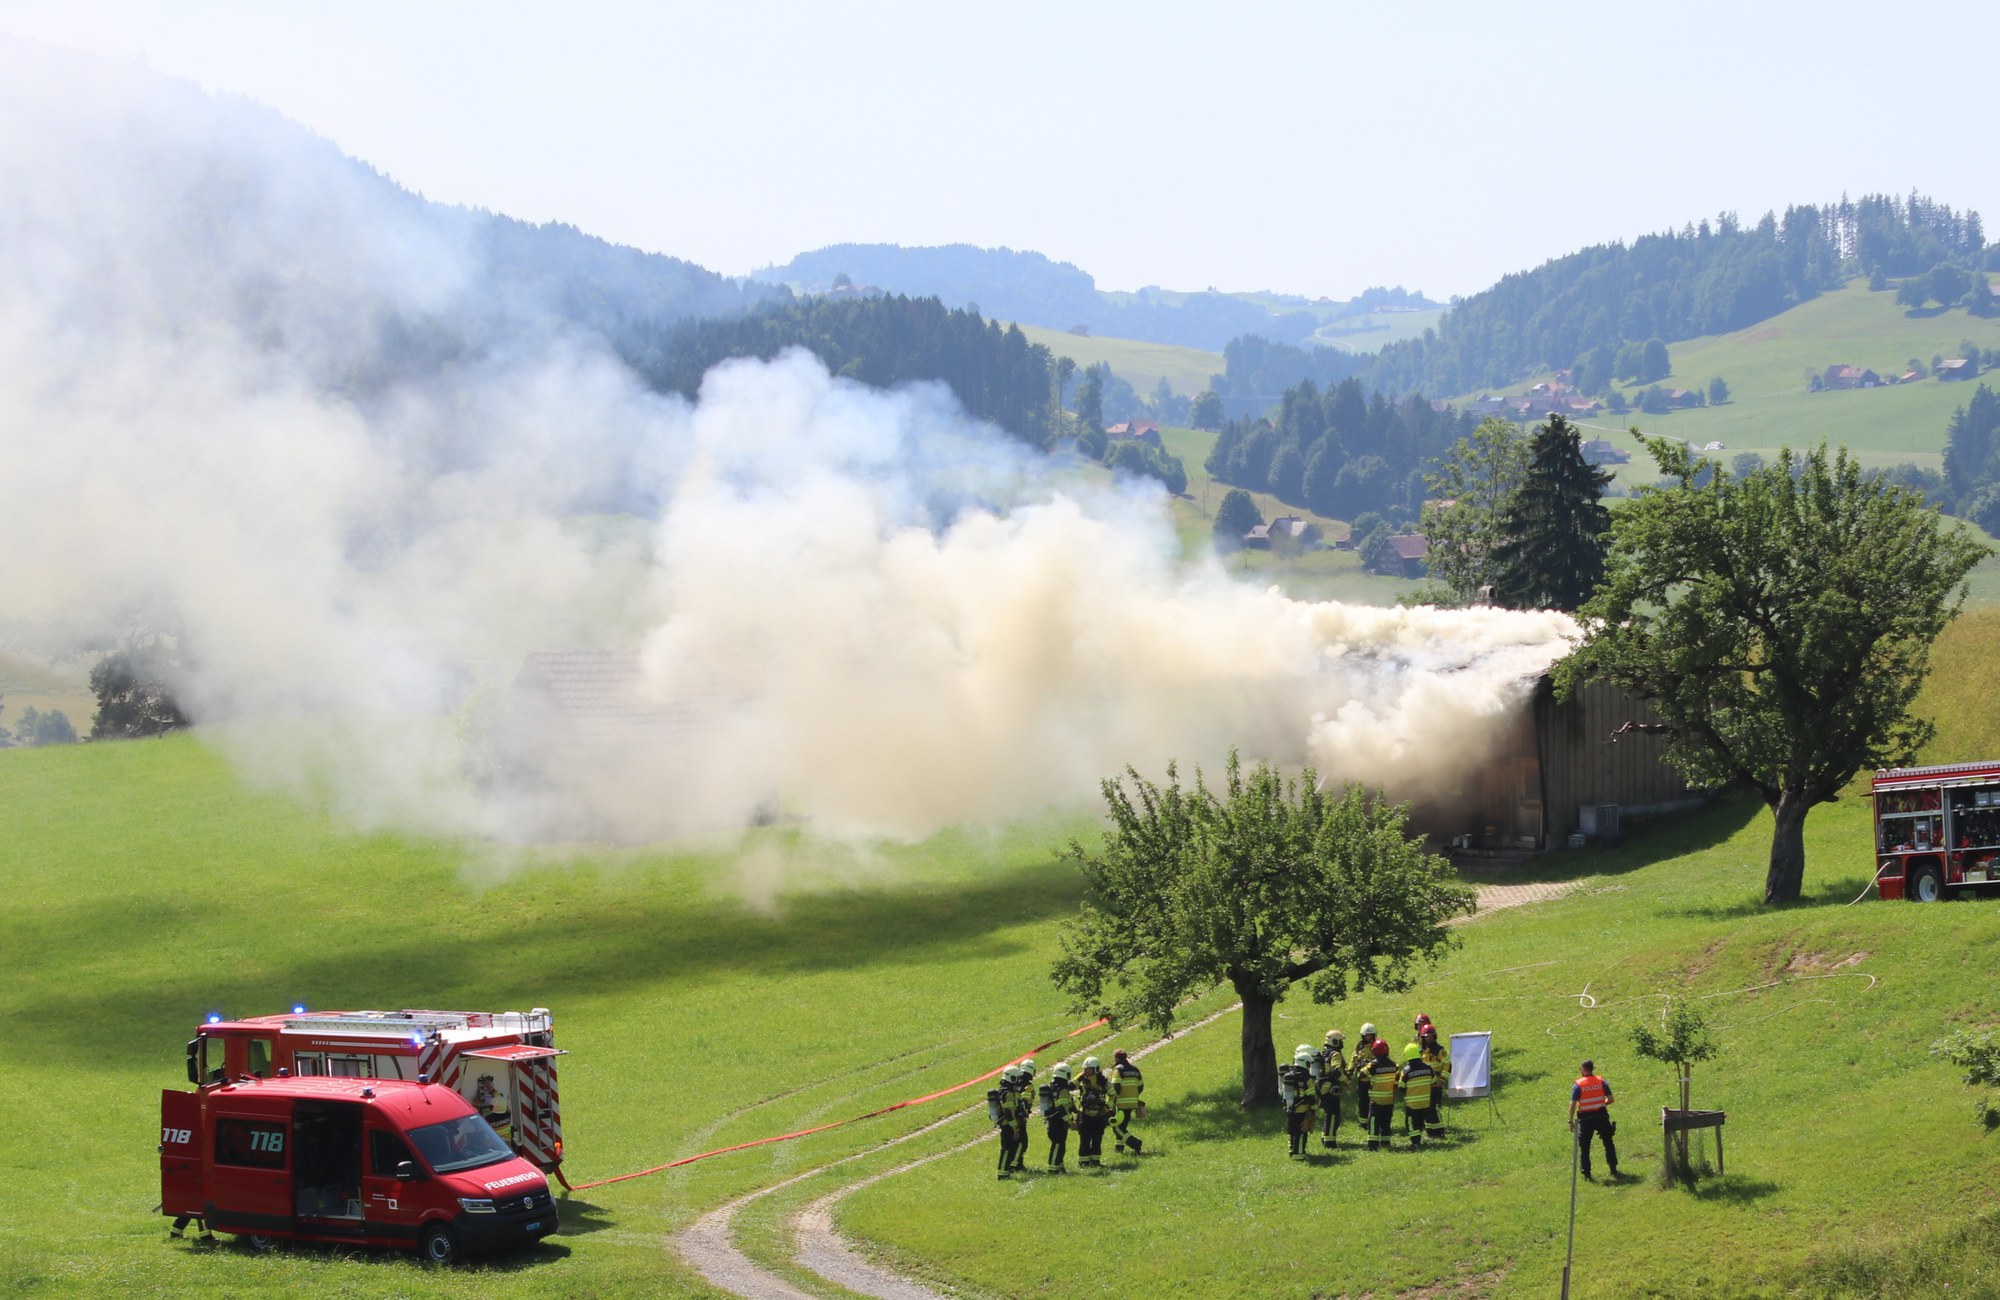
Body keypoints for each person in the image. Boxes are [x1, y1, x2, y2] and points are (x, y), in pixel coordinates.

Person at [1570, 1058, 1620, 1181]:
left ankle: (1587, 1173)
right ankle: (1613, 1168)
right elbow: (1611, 1099)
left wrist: (1570, 1120)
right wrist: (1600, 1104)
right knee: (1608, 1142)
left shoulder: (1578, 1084)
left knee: (1585, 1147)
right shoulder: (1601, 1081)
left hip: (1586, 1118)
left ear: (1583, 1069)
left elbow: (1573, 1104)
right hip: (1601, 1116)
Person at [1279, 1045, 1318, 1158]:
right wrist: (1314, 1108)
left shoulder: (1288, 1076)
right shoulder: (1307, 1079)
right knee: (1301, 1132)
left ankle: (1292, 1149)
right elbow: (1310, 1096)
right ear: (1305, 1063)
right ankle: (1299, 1153)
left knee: (1292, 1131)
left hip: (1289, 1108)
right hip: (1301, 1109)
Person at [1074, 1056, 1114, 1167]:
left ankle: (1095, 1162)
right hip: (1085, 1115)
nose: (1086, 1071)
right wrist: (1079, 1076)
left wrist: (1107, 1107)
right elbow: (1070, 1086)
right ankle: (1083, 1162)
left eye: (1088, 1069)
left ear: (1095, 1069)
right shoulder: (1082, 1080)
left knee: (1097, 1139)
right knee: (1084, 1139)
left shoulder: (1103, 1081)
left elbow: (1113, 1095)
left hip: (1099, 1115)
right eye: (1085, 1069)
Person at [1399, 1043, 1439, 1149]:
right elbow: (1434, 1082)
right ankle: (1432, 1135)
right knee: (1422, 1121)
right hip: (1426, 1102)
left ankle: (1415, 1143)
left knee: (1412, 1123)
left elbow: (1401, 1087)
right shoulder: (1428, 1068)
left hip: (1412, 1104)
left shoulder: (1406, 1071)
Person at [1365, 1037, 1401, 1151]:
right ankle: (1385, 1143)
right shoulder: (1394, 1065)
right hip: (1389, 1100)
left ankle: (1373, 1145)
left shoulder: (1372, 1065)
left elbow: (1362, 1075)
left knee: (1373, 1122)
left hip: (1376, 1100)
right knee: (1386, 1122)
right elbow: (1396, 1083)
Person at [1313, 1029, 1347, 1148]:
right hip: (1329, 1089)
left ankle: (1325, 1136)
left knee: (1329, 1114)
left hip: (1320, 1088)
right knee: (1333, 1115)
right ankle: (1330, 1142)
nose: (1342, 1043)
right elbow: (1336, 1070)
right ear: (1335, 1042)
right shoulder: (1335, 1054)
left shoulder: (1324, 1053)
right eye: (1340, 1041)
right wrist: (1347, 1082)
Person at [1110, 1048, 1145, 1156]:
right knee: (1122, 1126)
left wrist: (1112, 1100)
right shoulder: (1135, 1070)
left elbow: (1116, 1086)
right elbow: (1140, 1086)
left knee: (1116, 1127)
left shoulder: (1118, 1070)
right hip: (1132, 1102)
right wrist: (1133, 1096)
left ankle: (1135, 1143)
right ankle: (1119, 1148)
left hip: (1121, 1102)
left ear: (1116, 1058)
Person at [1043, 1060, 1077, 1172]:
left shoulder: (1053, 1086)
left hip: (1053, 1120)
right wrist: (1071, 1122)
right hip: (1058, 1121)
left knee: (1060, 1145)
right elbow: (1062, 1108)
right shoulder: (1062, 1090)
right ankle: (1052, 1169)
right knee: (1058, 1145)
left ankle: (1060, 1166)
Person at [1418, 1024, 1450, 1137]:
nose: (1428, 1038)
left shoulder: (1439, 1050)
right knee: (1426, 1107)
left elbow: (1448, 1065)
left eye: (1431, 1036)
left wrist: (1442, 1080)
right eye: (1426, 1036)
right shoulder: (1420, 1050)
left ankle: (1439, 1131)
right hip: (1424, 1083)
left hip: (1435, 1083)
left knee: (1434, 1108)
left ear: (1434, 1036)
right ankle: (1430, 1132)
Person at [992, 1065, 1024, 1178]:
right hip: (1008, 1125)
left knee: (1009, 1148)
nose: (1018, 1081)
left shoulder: (1003, 1090)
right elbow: (1009, 1113)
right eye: (1017, 1078)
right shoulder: (1009, 1094)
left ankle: (1005, 1172)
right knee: (1006, 1149)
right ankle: (1002, 1173)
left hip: (1006, 1124)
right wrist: (1015, 1129)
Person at [1351, 1023, 1380, 1134]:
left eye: (1370, 1035)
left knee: (1374, 1102)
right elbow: (1353, 1059)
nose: (1368, 1037)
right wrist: (1350, 1070)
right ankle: (1363, 1122)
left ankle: (1374, 1121)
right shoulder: (1359, 1046)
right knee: (1362, 1101)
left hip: (1373, 1080)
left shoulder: (1377, 1045)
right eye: (1366, 1035)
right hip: (1362, 1079)